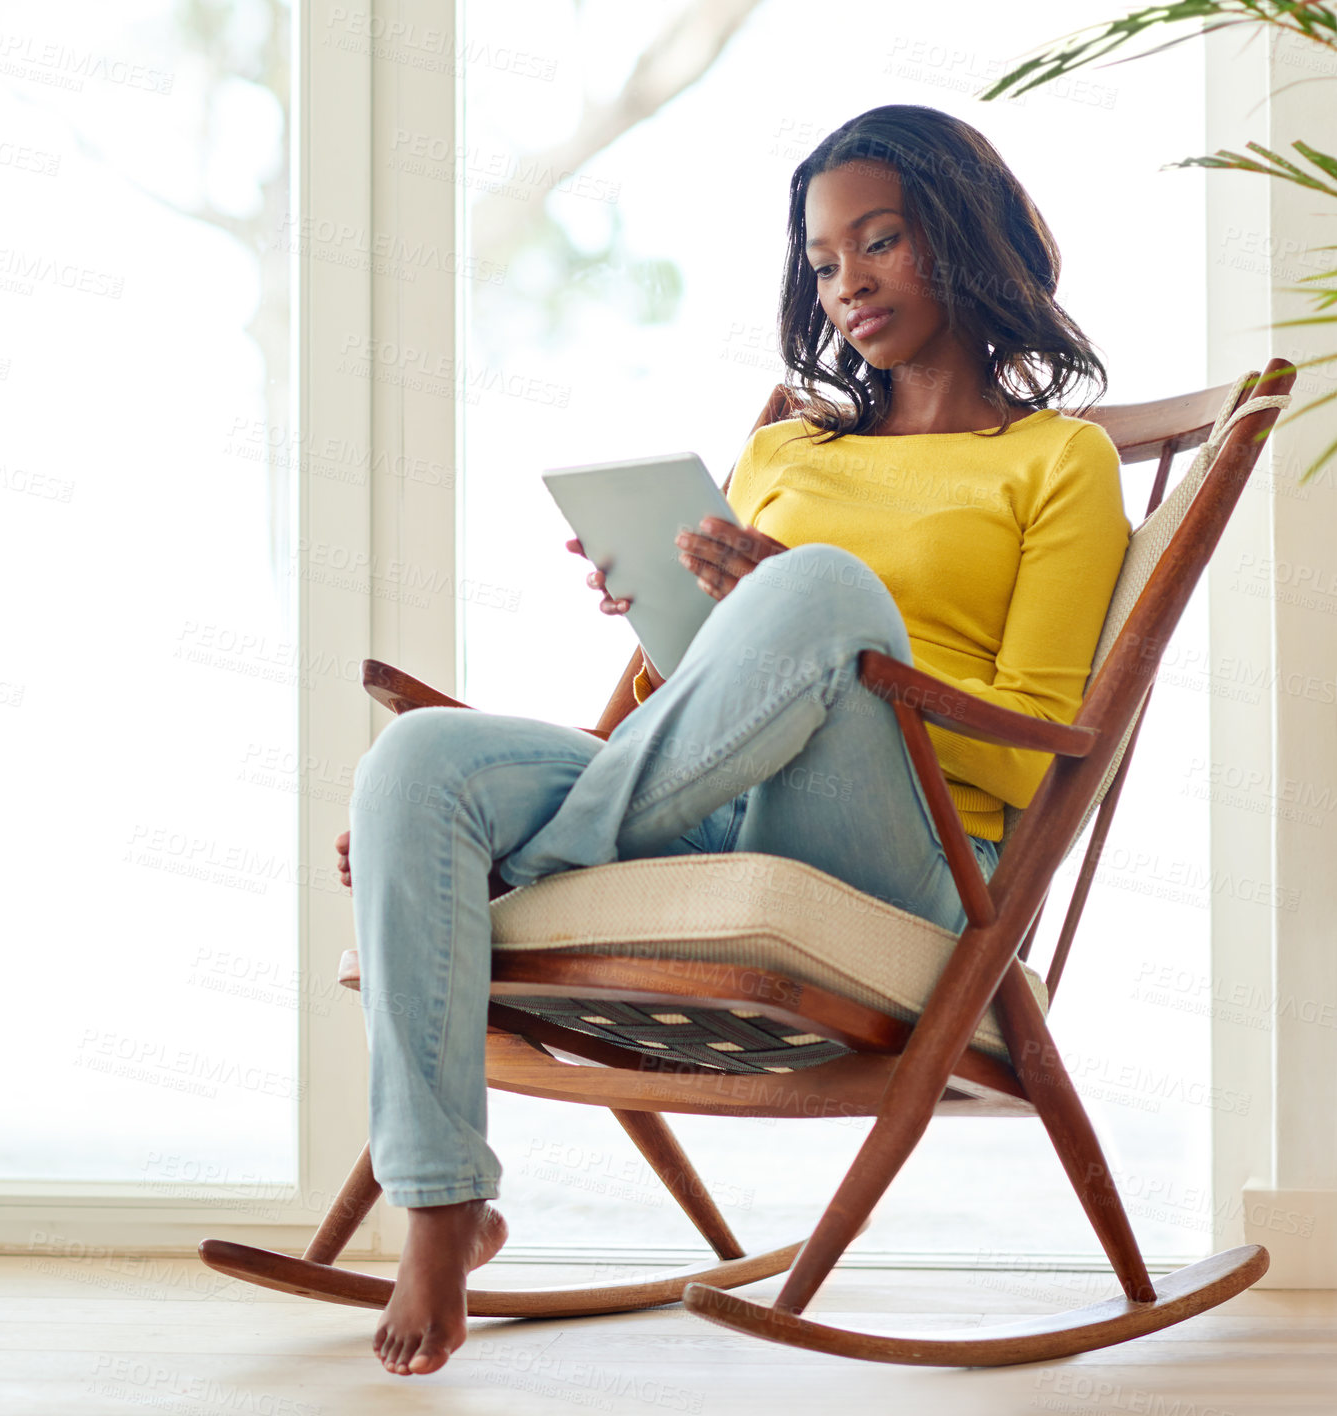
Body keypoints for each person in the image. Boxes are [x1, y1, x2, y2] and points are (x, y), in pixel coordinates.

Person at [337, 103, 1130, 1378]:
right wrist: (673, 617)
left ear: (964, 238)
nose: (847, 281)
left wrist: (811, 619)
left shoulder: (1055, 462)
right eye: (823, 260)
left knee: (822, 588)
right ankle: (440, 1201)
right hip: (709, 799)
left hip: (912, 845)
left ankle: (534, 869)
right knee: (417, 763)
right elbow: (693, 703)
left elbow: (1030, 752)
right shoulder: (783, 447)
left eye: (880, 241)